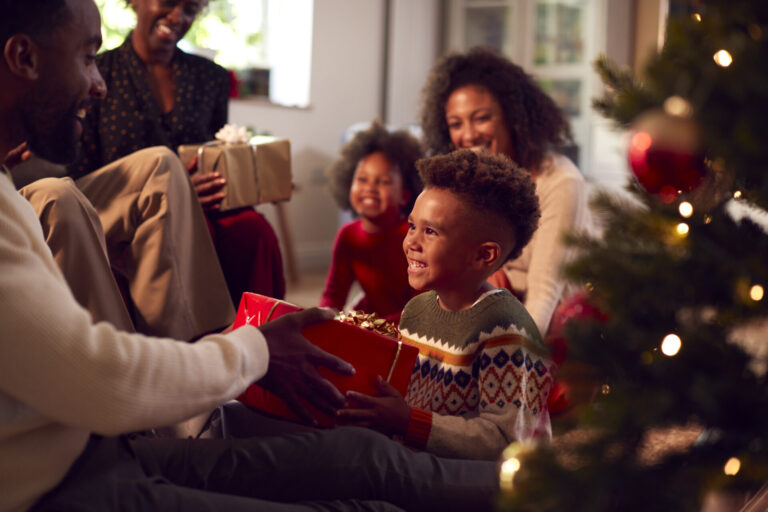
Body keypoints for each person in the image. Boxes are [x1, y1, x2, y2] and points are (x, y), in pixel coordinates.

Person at [0, 1, 499, 511]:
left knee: (366, 456)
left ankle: (534, 479)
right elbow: (102, 381)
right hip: (69, 487)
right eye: (87, 57)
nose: (98, 83)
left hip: (103, 453)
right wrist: (253, 351)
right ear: (23, 58)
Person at [338, 150, 555, 461]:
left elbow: (507, 440)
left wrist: (408, 422)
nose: (411, 242)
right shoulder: (416, 311)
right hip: (423, 458)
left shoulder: (506, 330)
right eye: (412, 226)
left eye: (430, 231)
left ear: (483, 255)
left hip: (486, 478)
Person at [68, 0, 285, 305]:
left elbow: (216, 153)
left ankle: (263, 326)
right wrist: (175, 192)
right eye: (169, 2)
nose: (177, 17)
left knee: (254, 230)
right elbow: (83, 173)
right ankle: (207, 332)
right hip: (126, 210)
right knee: (190, 233)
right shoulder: (98, 75)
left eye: (190, 9)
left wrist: (248, 181)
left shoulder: (210, 78)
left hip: (204, 207)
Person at [419, 46, 595, 338]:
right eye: (456, 124)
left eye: (481, 118)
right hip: (488, 314)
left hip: (554, 330)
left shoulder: (561, 181)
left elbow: (544, 296)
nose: (468, 135)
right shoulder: (464, 183)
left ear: (511, 117)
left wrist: (514, 355)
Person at [321, 120, 423, 323]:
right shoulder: (347, 235)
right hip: (370, 318)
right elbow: (334, 293)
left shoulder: (413, 236)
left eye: (383, 181)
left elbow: (421, 306)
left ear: (405, 195)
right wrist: (322, 318)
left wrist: (374, 326)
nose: (370, 188)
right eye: (362, 179)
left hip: (407, 325)